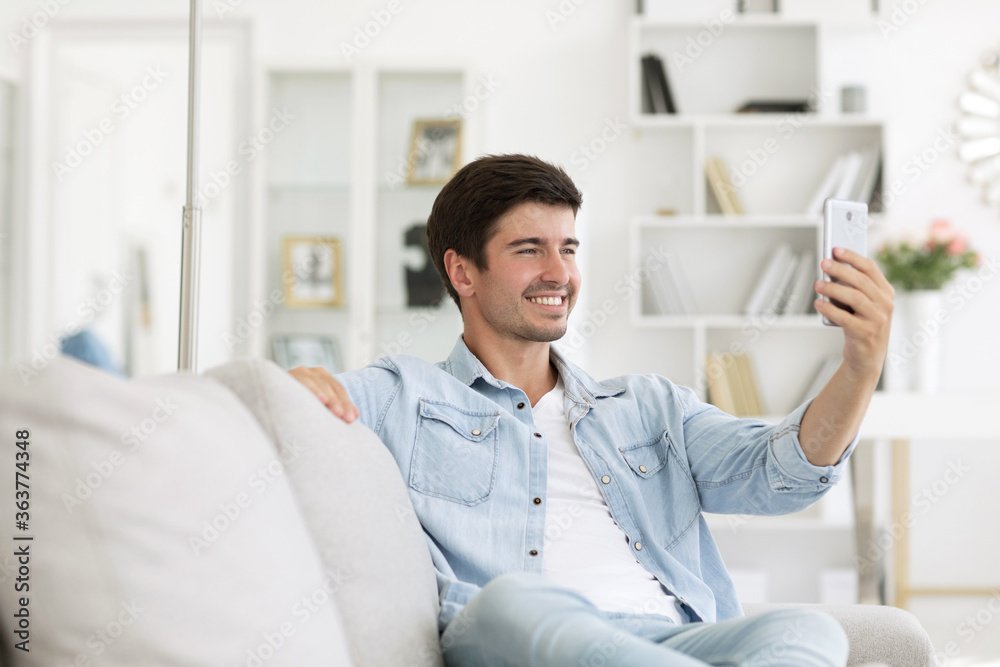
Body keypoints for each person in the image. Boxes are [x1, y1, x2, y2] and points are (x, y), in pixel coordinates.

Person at [290, 154, 894, 666]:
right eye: (530, 250)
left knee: (809, 632)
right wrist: (295, 386)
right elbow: (273, 414)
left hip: (669, 637)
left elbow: (780, 473)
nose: (560, 274)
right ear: (462, 271)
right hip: (523, 637)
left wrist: (861, 367)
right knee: (511, 601)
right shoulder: (404, 393)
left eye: (568, 249)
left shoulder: (648, 407)